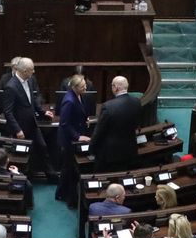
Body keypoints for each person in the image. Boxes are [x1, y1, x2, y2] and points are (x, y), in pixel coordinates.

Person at [90, 76, 142, 171]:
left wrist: (91, 149)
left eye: (112, 85)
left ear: (116, 87)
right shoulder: (137, 102)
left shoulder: (108, 106)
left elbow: (99, 131)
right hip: (130, 150)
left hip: (111, 155)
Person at [53, 76, 89, 207]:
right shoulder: (69, 101)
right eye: (82, 86)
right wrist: (78, 137)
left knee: (68, 169)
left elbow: (78, 113)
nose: (85, 88)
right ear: (74, 87)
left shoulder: (78, 95)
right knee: (69, 169)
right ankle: (69, 198)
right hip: (68, 140)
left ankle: (61, 193)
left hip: (73, 136)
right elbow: (64, 123)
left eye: (85, 85)